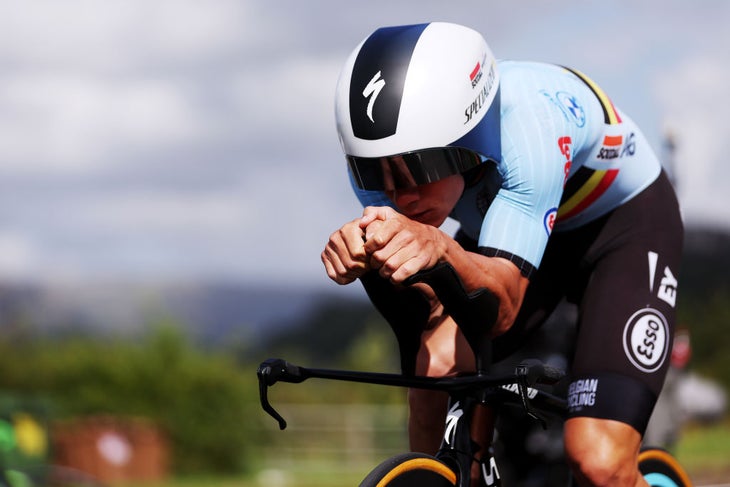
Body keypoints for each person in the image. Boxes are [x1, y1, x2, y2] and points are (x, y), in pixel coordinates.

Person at [321, 22, 683, 487]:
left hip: (620, 229)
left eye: (416, 167)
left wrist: (439, 247)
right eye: (374, 171)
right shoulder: (385, 164)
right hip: (518, 230)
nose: (398, 194)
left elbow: (503, 309)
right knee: (435, 369)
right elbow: (421, 305)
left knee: (598, 460)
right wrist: (361, 249)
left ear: (468, 141)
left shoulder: (530, 131)